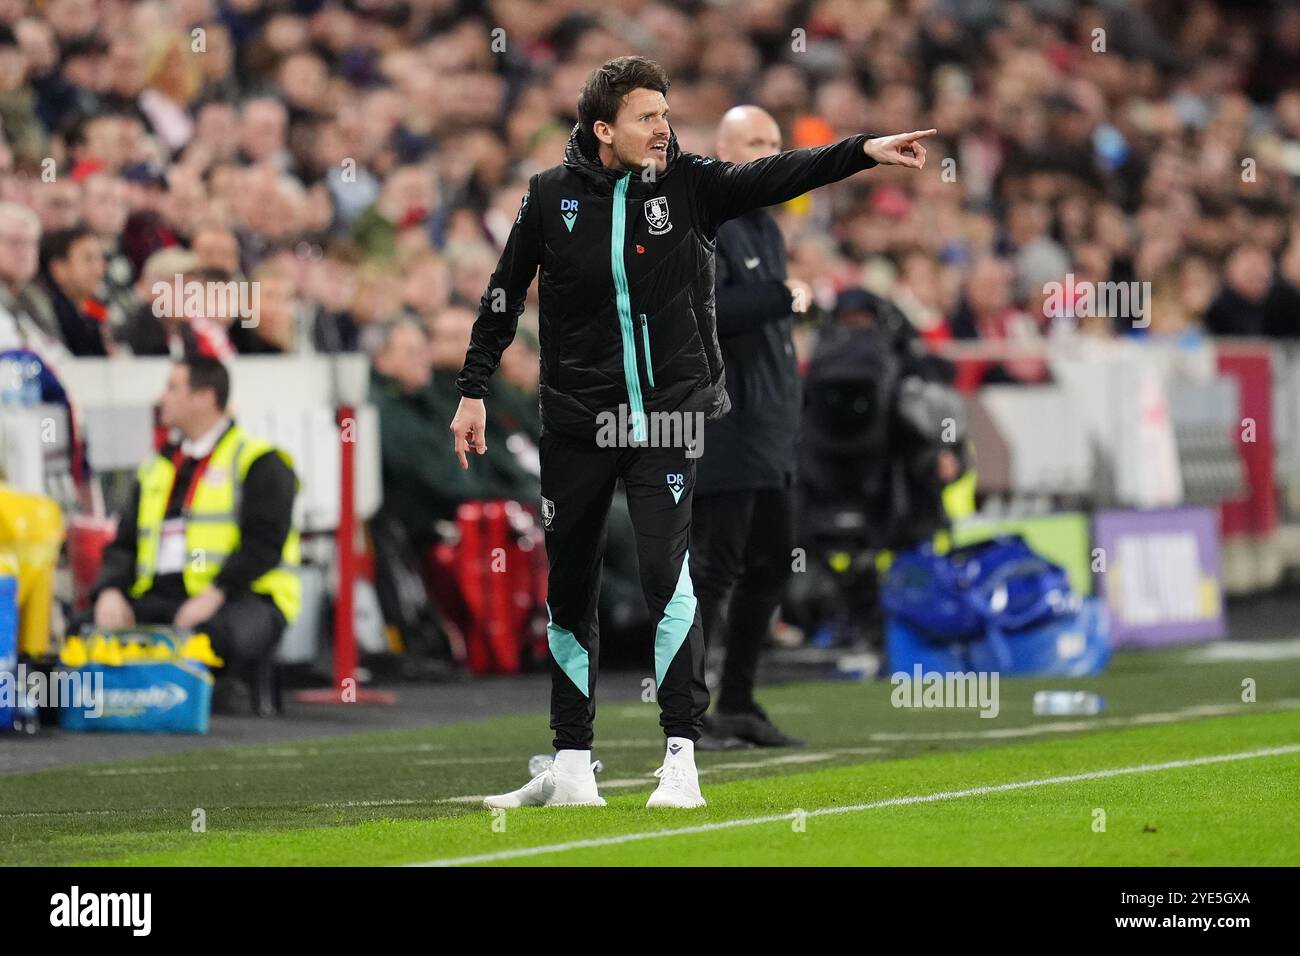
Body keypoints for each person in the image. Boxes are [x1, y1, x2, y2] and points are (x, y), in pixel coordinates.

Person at [451, 55, 933, 810]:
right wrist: (474, 389)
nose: (664, 130)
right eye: (649, 117)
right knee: (568, 588)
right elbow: (503, 292)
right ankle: (572, 764)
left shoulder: (692, 184)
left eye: (667, 115)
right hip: (579, 421)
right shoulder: (548, 198)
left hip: (670, 416)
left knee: (667, 578)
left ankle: (682, 755)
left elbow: (782, 174)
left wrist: (862, 150)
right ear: (603, 129)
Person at [689, 105, 810, 751]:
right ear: (723, 148)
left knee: (768, 570)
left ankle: (737, 700)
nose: (768, 153)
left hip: (771, 429)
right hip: (725, 426)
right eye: (754, 142)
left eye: (774, 143)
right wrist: (784, 295)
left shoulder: (766, 226)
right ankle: (688, 711)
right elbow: (703, 312)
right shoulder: (709, 220)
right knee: (714, 570)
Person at [89, 355, 300, 712]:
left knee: (214, 634)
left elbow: (264, 545)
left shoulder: (259, 461)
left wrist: (216, 594)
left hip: (244, 596)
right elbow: (124, 544)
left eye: (173, 388)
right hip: (165, 595)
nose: (162, 398)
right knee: (87, 627)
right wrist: (109, 591)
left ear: (205, 397)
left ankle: (219, 691)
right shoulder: (156, 467)